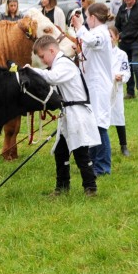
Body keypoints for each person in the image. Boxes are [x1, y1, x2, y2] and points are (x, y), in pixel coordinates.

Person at [30, 34, 99, 196]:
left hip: (77, 114)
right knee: (61, 152)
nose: (42, 61)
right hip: (68, 114)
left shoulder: (64, 64)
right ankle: (62, 187)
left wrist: (30, 71)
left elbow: (52, 78)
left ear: (52, 50)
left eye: (42, 56)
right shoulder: (58, 65)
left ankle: (90, 188)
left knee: (81, 152)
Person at [72, 4, 115, 176]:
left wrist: (79, 27)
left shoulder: (101, 33)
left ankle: (103, 166)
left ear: (93, 17)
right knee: (93, 124)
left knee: (99, 125)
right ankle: (92, 162)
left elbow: (91, 40)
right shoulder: (95, 32)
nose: (86, 20)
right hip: (92, 84)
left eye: (87, 16)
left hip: (99, 85)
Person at [109, 25, 132, 157]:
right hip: (102, 90)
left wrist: (121, 77)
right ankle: (98, 146)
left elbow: (126, 71)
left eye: (111, 36)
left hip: (116, 90)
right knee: (100, 119)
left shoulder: (122, 54)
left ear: (117, 37)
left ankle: (123, 145)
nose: (109, 39)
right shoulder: (100, 54)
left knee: (118, 115)